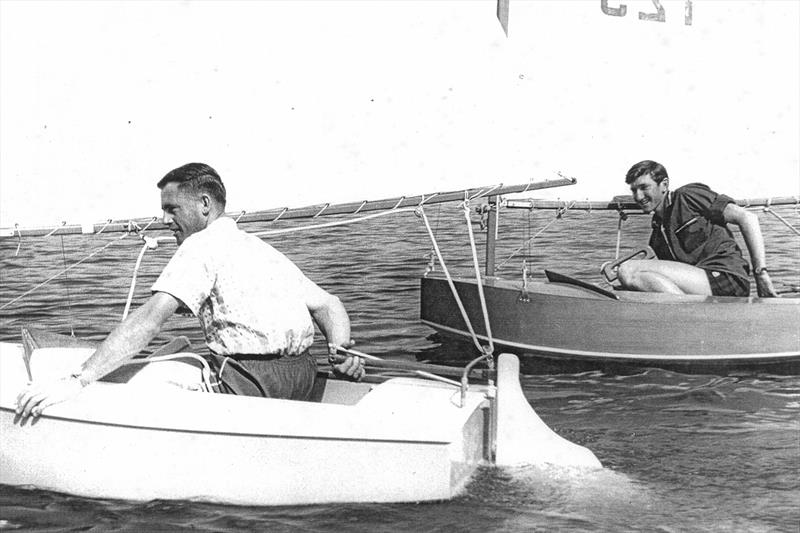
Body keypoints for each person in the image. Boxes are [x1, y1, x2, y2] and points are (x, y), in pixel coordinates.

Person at [16, 163, 364, 418]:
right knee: (178, 351)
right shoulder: (256, 247)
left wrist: (79, 379)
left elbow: (152, 318)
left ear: (204, 205)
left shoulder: (200, 246)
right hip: (300, 377)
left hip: (252, 385)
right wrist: (343, 350)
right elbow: (329, 305)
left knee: (127, 379)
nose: (165, 220)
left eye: (172, 209)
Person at [617, 160, 777, 298]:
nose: (638, 197)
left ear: (664, 185)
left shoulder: (687, 196)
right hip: (703, 286)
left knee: (627, 270)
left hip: (726, 278)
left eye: (644, 187)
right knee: (632, 277)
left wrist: (760, 273)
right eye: (633, 190)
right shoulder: (658, 231)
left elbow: (747, 218)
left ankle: (689, 315)